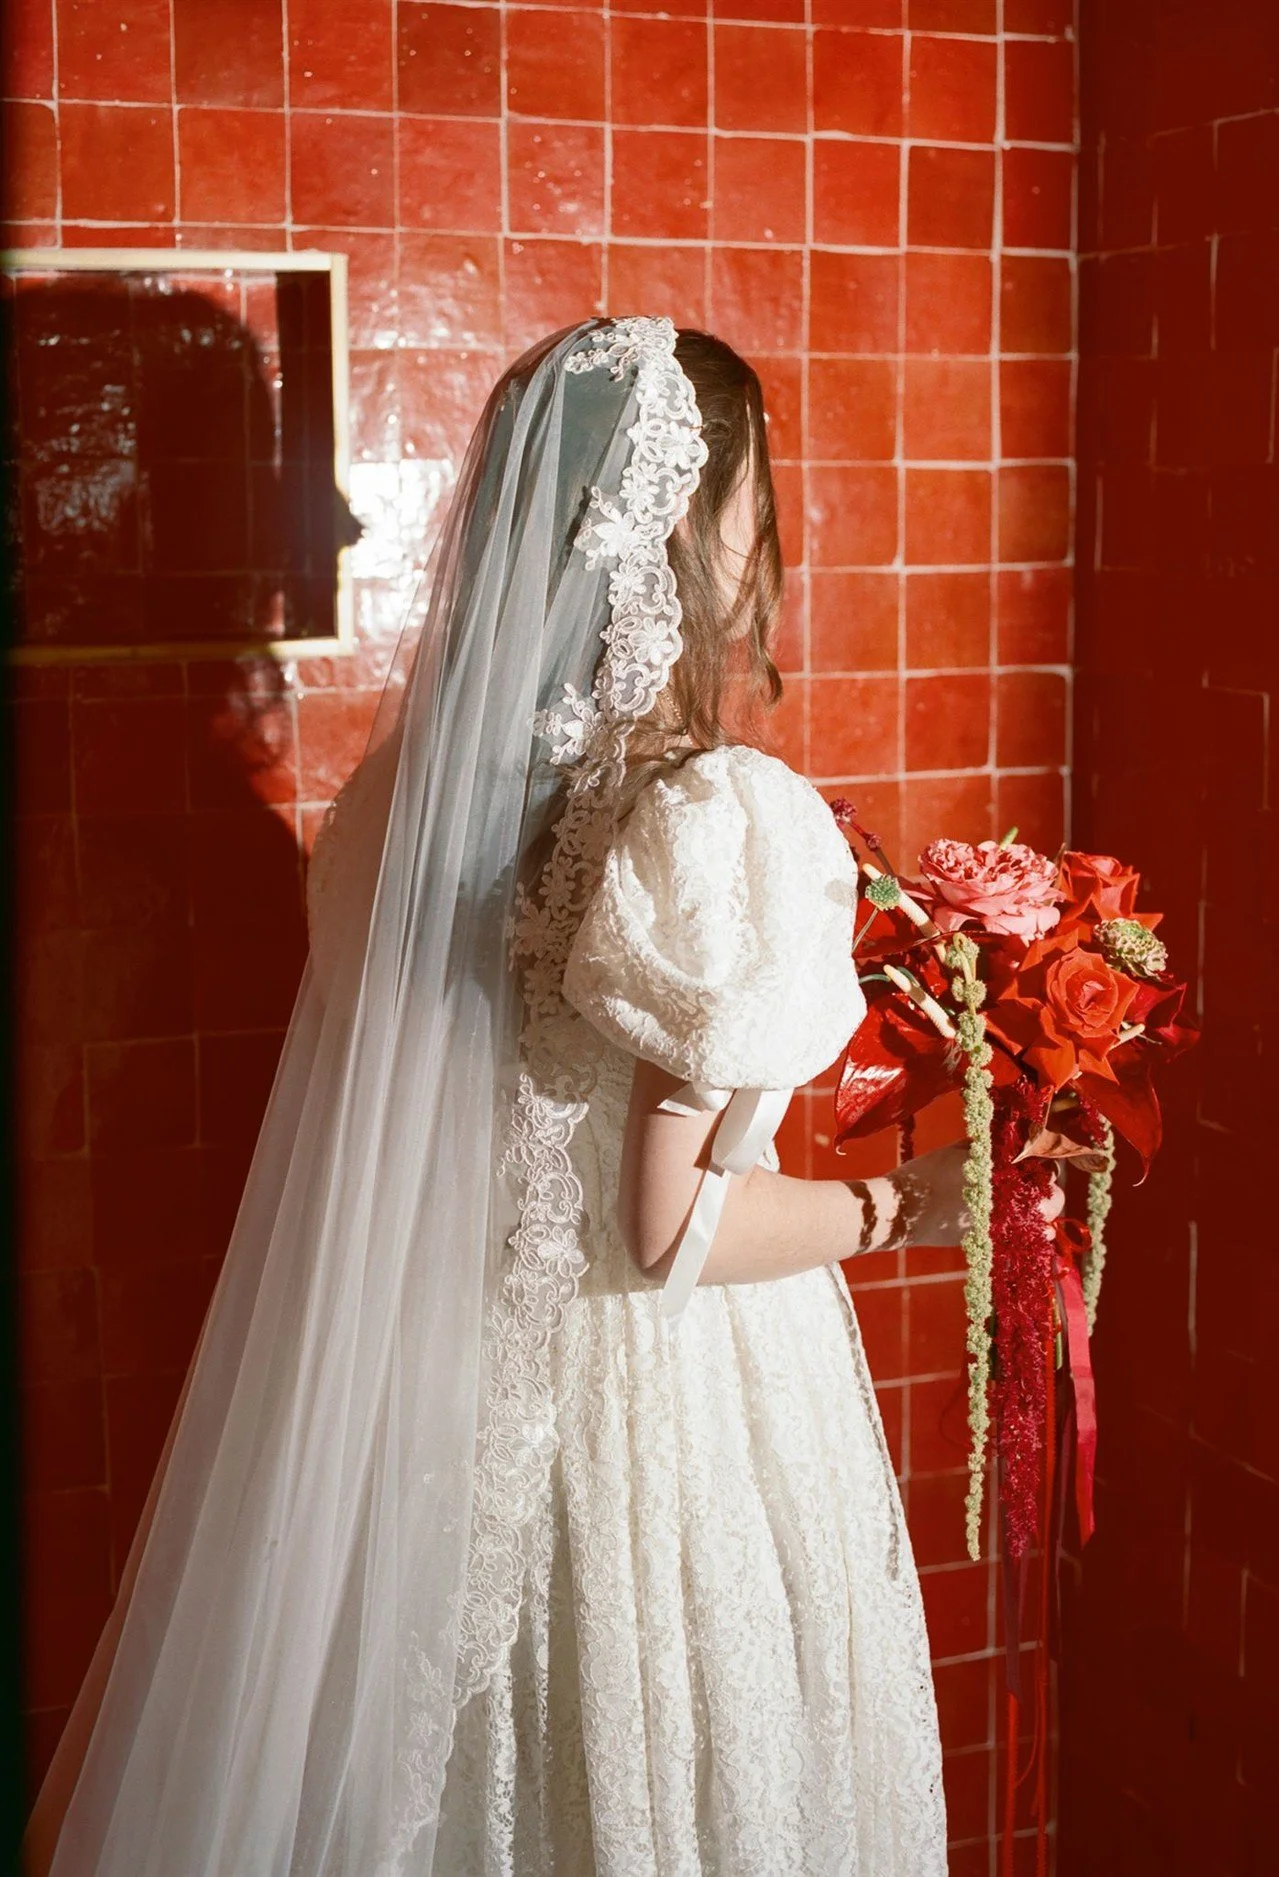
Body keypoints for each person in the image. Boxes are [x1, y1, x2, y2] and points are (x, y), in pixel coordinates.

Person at [26, 316, 1061, 1876]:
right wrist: (909, 1205)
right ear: (689, 529)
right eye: (752, 503)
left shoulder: (398, 805)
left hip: (434, 1406)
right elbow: (668, 1231)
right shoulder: (717, 812)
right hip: (663, 1422)